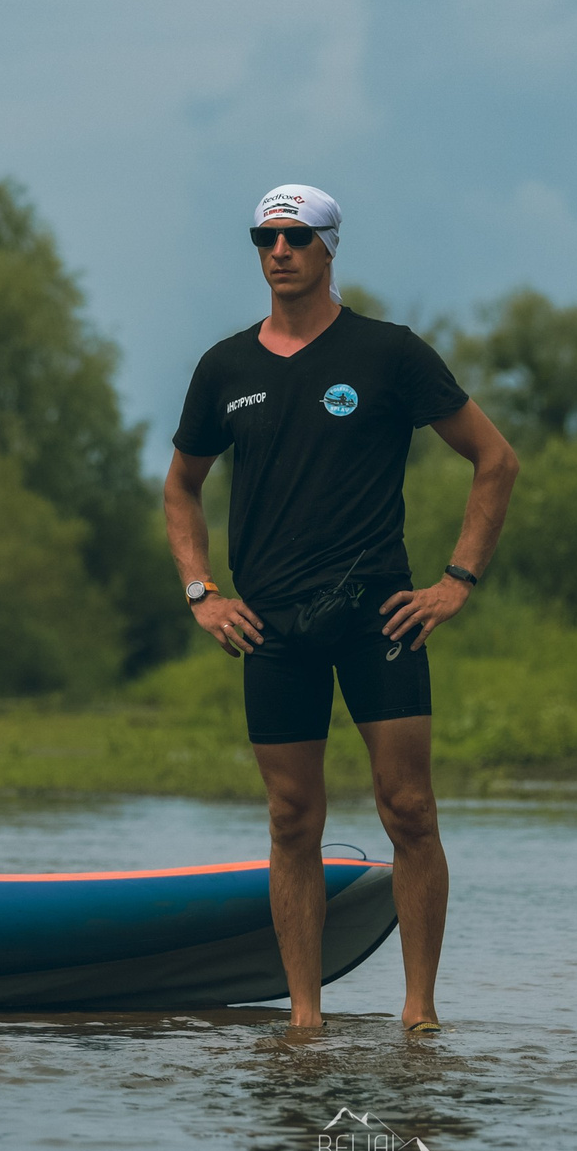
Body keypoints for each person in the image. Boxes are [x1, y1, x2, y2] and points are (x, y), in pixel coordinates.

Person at [163, 186, 518, 1033]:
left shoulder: (388, 353)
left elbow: (495, 459)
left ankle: (420, 1015)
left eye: (296, 236)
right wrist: (202, 592)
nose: (278, 249)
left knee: (410, 809)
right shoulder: (225, 367)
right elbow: (182, 486)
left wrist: (457, 580)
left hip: (380, 619)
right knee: (293, 818)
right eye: (265, 236)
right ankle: (305, 1019)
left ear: (328, 248)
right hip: (273, 626)